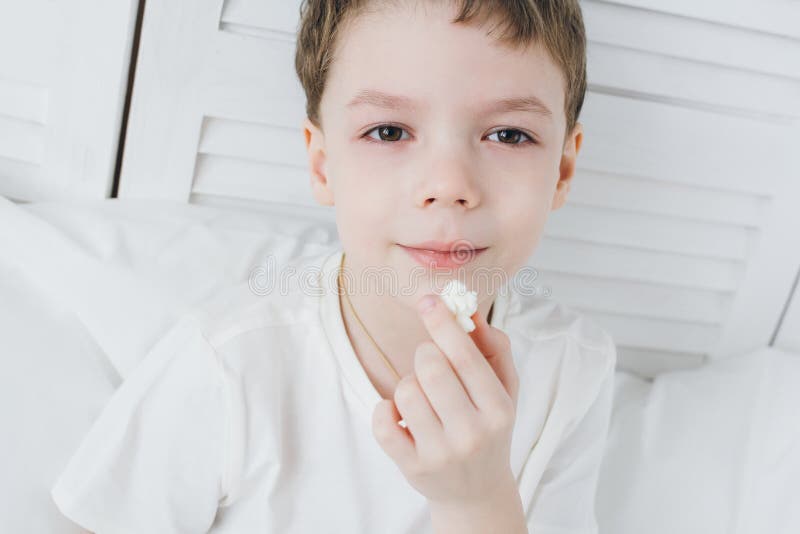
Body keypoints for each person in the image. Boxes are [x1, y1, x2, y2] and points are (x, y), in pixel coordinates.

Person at [51, 0, 617, 532]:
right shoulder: (229, 363)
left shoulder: (575, 368)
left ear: (563, 170)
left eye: (509, 135)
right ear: (323, 165)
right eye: (388, 131)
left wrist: (477, 499)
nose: (449, 185)